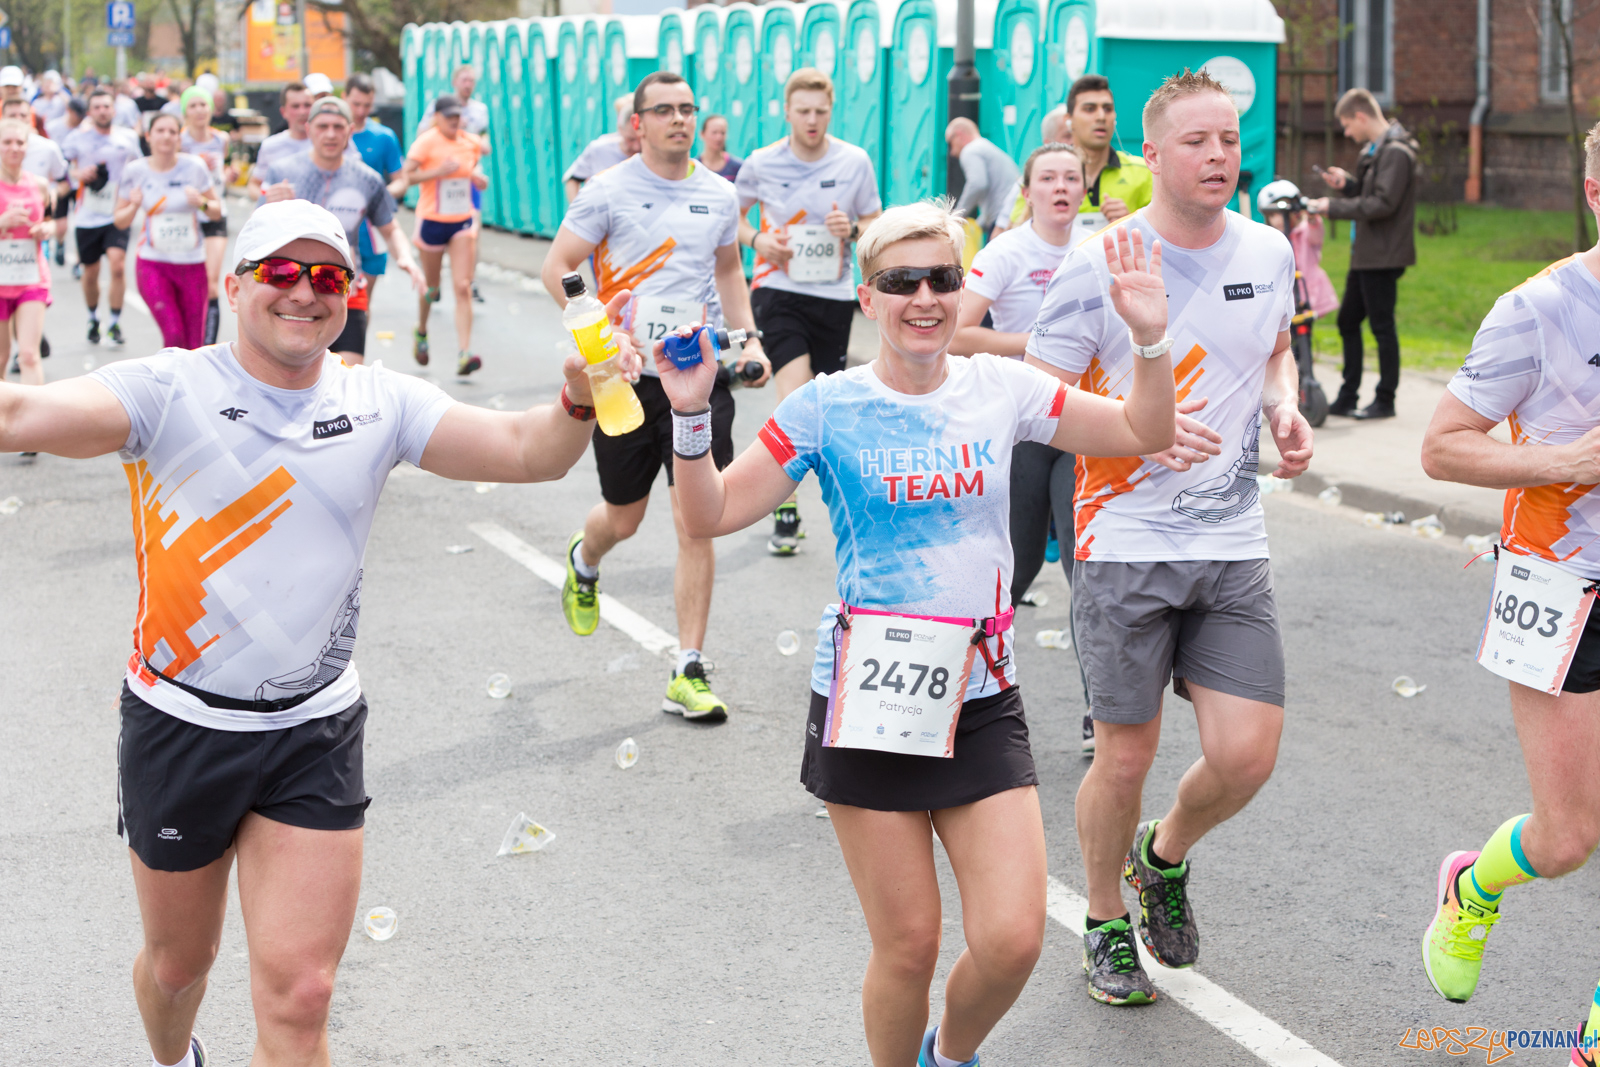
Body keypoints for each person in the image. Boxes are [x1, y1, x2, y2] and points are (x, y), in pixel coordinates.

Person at [0, 197, 637, 1067]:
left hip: (314, 727)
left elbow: (529, 454)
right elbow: (16, 417)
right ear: (237, 285)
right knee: (180, 964)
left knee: (303, 995)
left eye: (327, 277)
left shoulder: (378, 400)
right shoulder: (166, 389)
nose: (304, 293)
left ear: (352, 293)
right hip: (183, 724)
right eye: (282, 273)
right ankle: (173, 1057)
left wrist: (575, 394)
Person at [661, 198, 1175, 1067]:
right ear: (869, 298)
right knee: (909, 944)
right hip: (874, 702)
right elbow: (708, 514)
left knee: (1014, 939)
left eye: (943, 278)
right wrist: (687, 413)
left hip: (980, 694)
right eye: (903, 282)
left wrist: (1150, 343)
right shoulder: (828, 407)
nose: (926, 298)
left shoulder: (1001, 388)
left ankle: (952, 1054)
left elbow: (1142, 430)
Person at [1027, 69, 1313, 1005]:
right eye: (1197, 141)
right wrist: (1139, 418)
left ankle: (1165, 856)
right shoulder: (1101, 260)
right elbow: (1041, 401)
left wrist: (1282, 407)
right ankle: (1105, 918)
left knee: (1247, 754)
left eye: (1229, 140)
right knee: (1126, 756)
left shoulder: (1268, 251)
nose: (1219, 157)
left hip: (1231, 541)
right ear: (1152, 154)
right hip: (1125, 539)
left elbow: (1274, 347)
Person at [1414, 120, 1600, 1060]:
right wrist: (1565, 458)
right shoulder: (1540, 308)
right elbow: (1442, 445)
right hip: (1564, 583)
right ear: (1597, 195)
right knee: (1569, 838)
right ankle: (1473, 885)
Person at [539, 70, 771, 724]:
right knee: (623, 517)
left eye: (688, 109)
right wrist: (603, 331)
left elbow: (728, 269)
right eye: (664, 110)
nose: (679, 119)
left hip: (693, 372)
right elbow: (558, 265)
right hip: (622, 377)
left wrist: (747, 341)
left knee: (697, 518)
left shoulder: (718, 193)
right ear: (637, 122)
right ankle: (586, 560)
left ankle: (687, 666)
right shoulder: (609, 190)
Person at [735, 67, 880, 554]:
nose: (812, 120)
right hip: (778, 288)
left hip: (834, 295)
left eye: (821, 111)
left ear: (830, 111)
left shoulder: (854, 160)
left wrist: (853, 229)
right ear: (787, 112)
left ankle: (838, 502)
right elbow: (730, 216)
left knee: (826, 406)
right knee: (792, 395)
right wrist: (758, 239)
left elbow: (874, 218)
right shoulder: (761, 162)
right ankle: (785, 504)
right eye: (803, 112)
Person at [257, 96, 424, 365]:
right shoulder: (284, 171)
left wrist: (406, 258)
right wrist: (268, 206)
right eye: (323, 126)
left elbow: (390, 229)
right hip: (292, 288)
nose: (331, 134)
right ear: (309, 129)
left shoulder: (367, 179)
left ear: (350, 130)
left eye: (338, 126)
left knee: (348, 378)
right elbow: (256, 233)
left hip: (344, 288)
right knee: (294, 373)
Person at [1307, 87, 1419, 421]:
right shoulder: (1377, 150)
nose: (1347, 132)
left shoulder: (1396, 152)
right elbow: (1373, 193)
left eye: (1346, 124)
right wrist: (1348, 185)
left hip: (1383, 254)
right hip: (1367, 252)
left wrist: (1332, 206)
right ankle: (1347, 395)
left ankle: (1385, 399)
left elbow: (1384, 204)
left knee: (1382, 326)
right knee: (1348, 320)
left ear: (1360, 116)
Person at [114, 111, 220, 350]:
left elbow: (216, 211)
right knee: (173, 335)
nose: (166, 136)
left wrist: (201, 203)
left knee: (194, 343)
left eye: (172, 132)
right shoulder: (135, 171)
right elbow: (119, 221)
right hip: (153, 264)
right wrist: (133, 205)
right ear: (148, 136)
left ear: (179, 139)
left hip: (192, 264)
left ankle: (188, 388)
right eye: (160, 131)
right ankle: (171, 386)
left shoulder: (194, 167)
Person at [402, 93, 488, 375]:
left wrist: (477, 176)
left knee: (463, 286)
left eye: (457, 115)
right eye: (448, 115)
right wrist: (437, 172)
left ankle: (464, 353)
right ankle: (422, 331)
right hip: (432, 222)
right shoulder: (426, 142)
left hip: (461, 220)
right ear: (437, 117)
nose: (454, 120)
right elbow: (407, 176)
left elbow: (473, 166)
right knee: (432, 288)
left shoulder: (470, 142)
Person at [62, 86, 143, 346]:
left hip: (117, 212)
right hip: (87, 214)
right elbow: (62, 169)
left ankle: (115, 323)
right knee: (91, 272)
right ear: (89, 111)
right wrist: (77, 174)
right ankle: (93, 317)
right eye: (96, 107)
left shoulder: (128, 138)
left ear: (114, 109)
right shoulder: (77, 138)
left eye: (106, 106)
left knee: (118, 265)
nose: (102, 111)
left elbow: (141, 166)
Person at [419, 65, 490, 305]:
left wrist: (478, 142)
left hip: (467, 175)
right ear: (454, 82)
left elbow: (485, 140)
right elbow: (422, 133)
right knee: (436, 235)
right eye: (464, 79)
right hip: (443, 177)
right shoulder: (438, 105)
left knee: (473, 228)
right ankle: (434, 282)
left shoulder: (480, 110)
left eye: (472, 80)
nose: (468, 84)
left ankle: (469, 280)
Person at [0, 117, 55, 401]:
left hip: (31, 276)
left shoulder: (41, 185)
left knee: (29, 354)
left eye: (19, 142)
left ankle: (36, 426)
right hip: (0, 279)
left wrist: (46, 228)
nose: (14, 148)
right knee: (2, 356)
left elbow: (50, 222)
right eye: (7, 142)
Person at [345, 73, 409, 316]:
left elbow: (401, 181)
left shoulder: (383, 136)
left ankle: (356, 351)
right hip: (339, 227)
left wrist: (377, 196)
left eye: (367, 105)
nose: (361, 111)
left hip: (372, 229)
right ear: (345, 98)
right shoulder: (333, 134)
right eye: (356, 104)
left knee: (361, 305)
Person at [1064, 74, 1153, 240]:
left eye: (1107, 109)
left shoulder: (1146, 173)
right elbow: (1015, 235)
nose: (1101, 117)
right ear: (1069, 121)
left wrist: (1132, 223)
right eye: (1089, 109)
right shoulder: (1044, 175)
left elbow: (1169, 241)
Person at [179, 86, 234, 345]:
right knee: (190, 285)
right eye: (193, 106)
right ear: (185, 112)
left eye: (204, 105)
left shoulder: (221, 139)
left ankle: (208, 347)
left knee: (212, 283)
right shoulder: (178, 141)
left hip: (214, 213)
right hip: (186, 218)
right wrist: (196, 162)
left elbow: (223, 173)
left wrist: (228, 175)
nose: (200, 110)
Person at [994, 105, 1071, 236]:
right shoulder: (1027, 180)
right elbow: (1000, 232)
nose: (1075, 141)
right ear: (1048, 143)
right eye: (1067, 136)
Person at [943, 117, 1019, 239]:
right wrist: (980, 223)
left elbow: (977, 184)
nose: (951, 152)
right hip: (1013, 217)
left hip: (1002, 221)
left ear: (959, 135)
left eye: (950, 143)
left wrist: (956, 216)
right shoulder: (987, 148)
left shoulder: (970, 150)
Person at [563, 96, 640, 201]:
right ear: (619, 129)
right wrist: (576, 211)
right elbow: (573, 179)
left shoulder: (652, 152)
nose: (636, 146)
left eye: (640, 139)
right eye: (630, 139)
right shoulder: (600, 149)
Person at [248, 82, 313, 191]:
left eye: (307, 105)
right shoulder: (270, 145)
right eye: (295, 106)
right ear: (284, 112)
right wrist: (268, 197)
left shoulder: (328, 143)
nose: (302, 112)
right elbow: (254, 184)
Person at [697, 113, 741, 181]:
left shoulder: (737, 167)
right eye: (714, 132)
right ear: (702, 134)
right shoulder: (695, 167)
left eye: (722, 133)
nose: (719, 137)